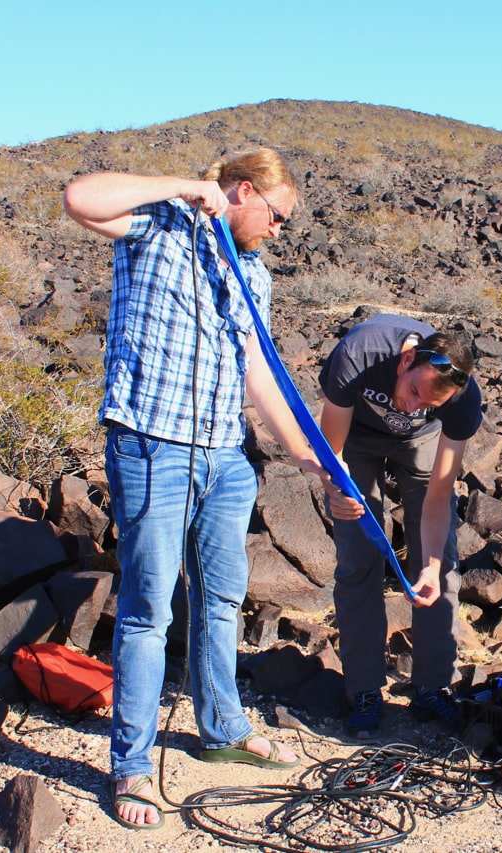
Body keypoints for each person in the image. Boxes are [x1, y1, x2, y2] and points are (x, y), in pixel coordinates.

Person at [63, 149, 329, 830]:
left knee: (221, 596)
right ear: (243, 191)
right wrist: (187, 187)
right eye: (276, 215)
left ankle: (222, 726)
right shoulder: (158, 224)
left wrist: (306, 454)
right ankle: (131, 765)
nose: (278, 229)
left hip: (225, 455)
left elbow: (257, 371)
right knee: (149, 608)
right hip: (153, 445)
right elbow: (79, 198)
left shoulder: (255, 275)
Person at [316, 313, 482, 737]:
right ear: (407, 358)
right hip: (355, 436)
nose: (410, 407)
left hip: (420, 444)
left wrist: (427, 563)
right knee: (359, 555)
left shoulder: (463, 401)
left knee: (438, 563)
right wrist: (335, 490)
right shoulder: (361, 352)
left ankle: (431, 687)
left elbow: (438, 498)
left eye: (427, 404)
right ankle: (364, 688)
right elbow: (330, 455)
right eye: (412, 391)